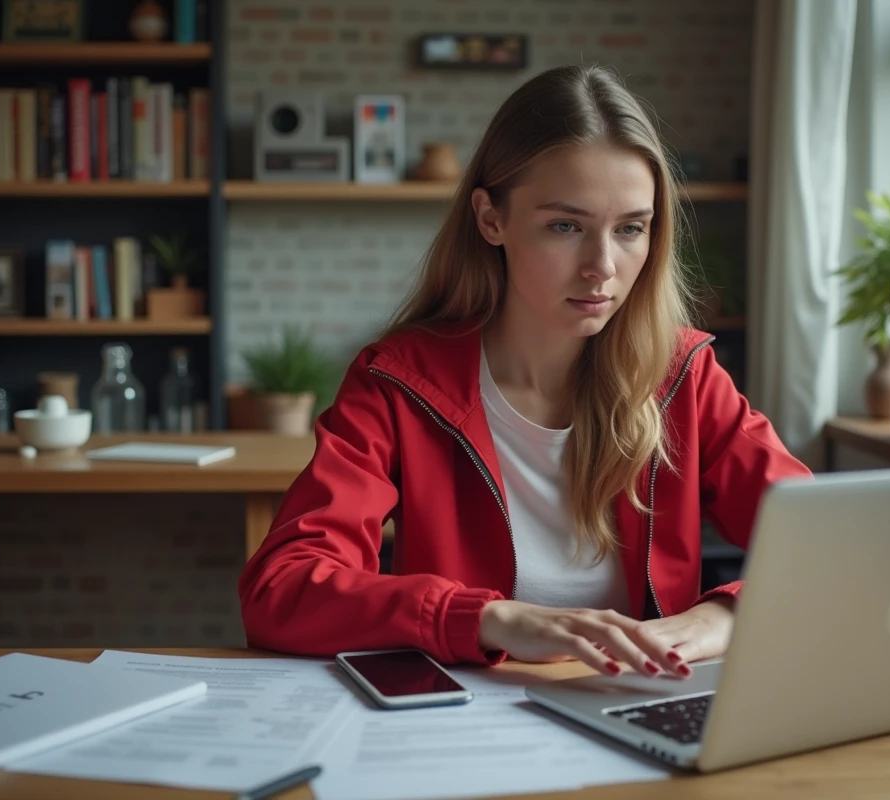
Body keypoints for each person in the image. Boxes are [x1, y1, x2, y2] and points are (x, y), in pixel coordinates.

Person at [238, 64, 810, 680]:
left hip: (642, 712)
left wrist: (722, 619)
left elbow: (834, 548)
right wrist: (490, 619)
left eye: (630, 230)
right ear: (492, 219)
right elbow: (282, 588)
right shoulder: (400, 382)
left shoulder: (683, 378)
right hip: (466, 722)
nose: (602, 266)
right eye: (566, 226)